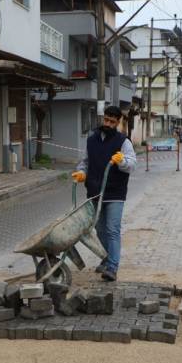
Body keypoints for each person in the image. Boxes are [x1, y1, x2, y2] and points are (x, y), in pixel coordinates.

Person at [71, 105, 137, 282]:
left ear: (117, 122)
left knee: (112, 230)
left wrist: (122, 160)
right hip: (94, 192)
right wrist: (82, 173)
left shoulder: (123, 142)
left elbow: (132, 164)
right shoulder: (91, 140)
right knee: (99, 229)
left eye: (112, 122)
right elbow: (85, 162)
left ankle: (112, 268)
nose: (108, 124)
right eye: (106, 120)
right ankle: (107, 258)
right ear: (103, 117)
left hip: (115, 192)